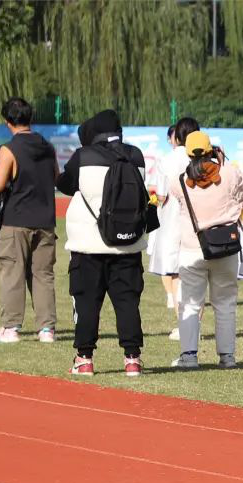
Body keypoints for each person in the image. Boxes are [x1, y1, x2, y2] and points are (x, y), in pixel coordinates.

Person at [56, 109, 148, 377]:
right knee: (127, 302)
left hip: (88, 245)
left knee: (86, 303)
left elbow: (65, 184)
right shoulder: (136, 156)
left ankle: (84, 359)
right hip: (128, 244)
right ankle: (132, 359)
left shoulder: (84, 156)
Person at [169, 130, 243, 369]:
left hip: (192, 248)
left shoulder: (178, 182)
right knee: (225, 303)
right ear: (211, 150)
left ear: (187, 153)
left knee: (190, 304)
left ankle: (189, 356)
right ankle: (227, 357)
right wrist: (223, 161)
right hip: (226, 247)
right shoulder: (229, 173)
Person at [0, 96, 59, 343]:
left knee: (12, 272)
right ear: (31, 118)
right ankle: (46, 329)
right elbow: (56, 177)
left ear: (8, 121)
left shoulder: (9, 149)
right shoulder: (48, 147)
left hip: (16, 219)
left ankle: (10, 327)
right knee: (43, 274)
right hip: (46, 220)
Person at [149, 120, 198, 340]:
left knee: (177, 275)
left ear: (176, 137)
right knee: (196, 275)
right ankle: (196, 324)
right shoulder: (201, 159)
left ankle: (185, 326)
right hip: (198, 221)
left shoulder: (166, 160)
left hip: (172, 221)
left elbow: (160, 195)